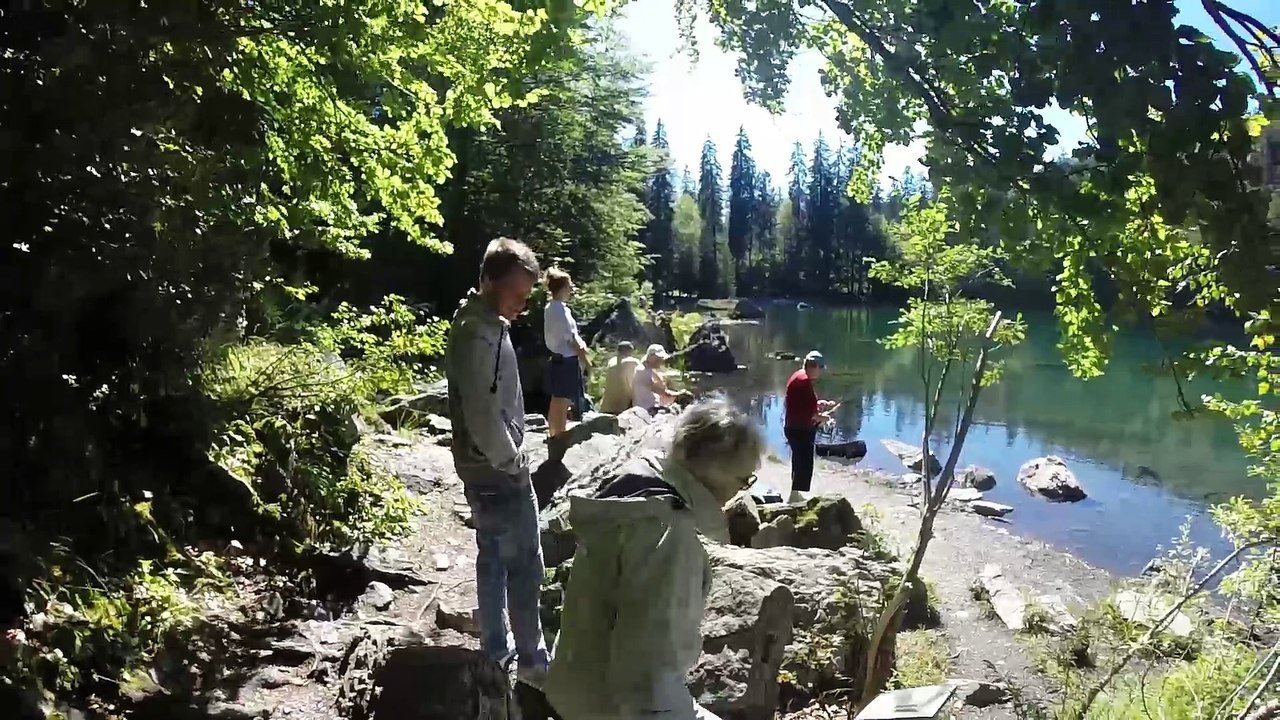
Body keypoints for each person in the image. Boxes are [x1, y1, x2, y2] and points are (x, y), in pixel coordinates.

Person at [544, 397, 765, 720]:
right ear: (716, 473)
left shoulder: (635, 489)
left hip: (575, 680)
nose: (741, 491)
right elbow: (646, 677)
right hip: (610, 707)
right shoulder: (667, 533)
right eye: (744, 480)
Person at [445, 237, 550, 687]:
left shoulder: (484, 322)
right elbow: (484, 413)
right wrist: (513, 459)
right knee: (526, 563)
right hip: (496, 468)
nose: (523, 305)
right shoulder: (480, 333)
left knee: (492, 555)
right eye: (517, 294)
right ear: (488, 281)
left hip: (479, 465)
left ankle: (495, 649)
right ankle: (532, 660)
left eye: (527, 295)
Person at [783, 351, 836, 503]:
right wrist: (824, 418)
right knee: (804, 463)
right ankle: (794, 497)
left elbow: (802, 404)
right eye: (821, 367)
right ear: (813, 366)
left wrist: (818, 404)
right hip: (800, 429)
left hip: (794, 427)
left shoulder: (799, 376)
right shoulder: (804, 383)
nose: (822, 371)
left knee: (798, 461)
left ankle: (795, 493)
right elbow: (808, 414)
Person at [543, 268, 589, 437]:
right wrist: (586, 359)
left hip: (557, 358)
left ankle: (554, 432)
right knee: (563, 400)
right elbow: (571, 338)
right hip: (566, 359)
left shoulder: (552, 307)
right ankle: (559, 433)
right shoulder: (559, 310)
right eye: (569, 286)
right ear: (562, 287)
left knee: (557, 398)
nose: (571, 289)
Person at [632, 343, 688, 412]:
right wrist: (680, 394)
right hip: (647, 409)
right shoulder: (642, 371)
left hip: (651, 406)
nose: (661, 361)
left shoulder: (648, 369)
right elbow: (662, 392)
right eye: (659, 359)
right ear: (651, 358)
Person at [600, 341, 641, 415]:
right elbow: (635, 383)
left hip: (607, 406)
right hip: (624, 407)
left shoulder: (611, 362)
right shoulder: (633, 362)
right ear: (630, 351)